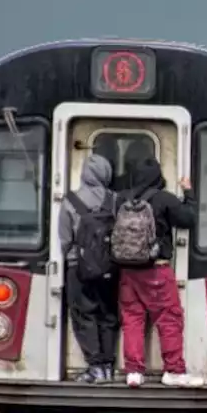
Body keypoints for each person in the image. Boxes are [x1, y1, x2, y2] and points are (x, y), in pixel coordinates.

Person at [114, 156, 201, 387]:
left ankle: (133, 371)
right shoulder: (164, 200)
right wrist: (189, 194)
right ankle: (173, 370)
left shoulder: (122, 199)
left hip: (127, 270)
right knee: (169, 318)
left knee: (132, 319)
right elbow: (189, 219)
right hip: (156, 270)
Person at [58, 154, 120, 384]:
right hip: (110, 269)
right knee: (108, 316)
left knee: (84, 315)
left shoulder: (70, 201)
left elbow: (64, 240)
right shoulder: (114, 200)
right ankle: (108, 366)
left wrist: (71, 258)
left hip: (79, 268)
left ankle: (94, 368)